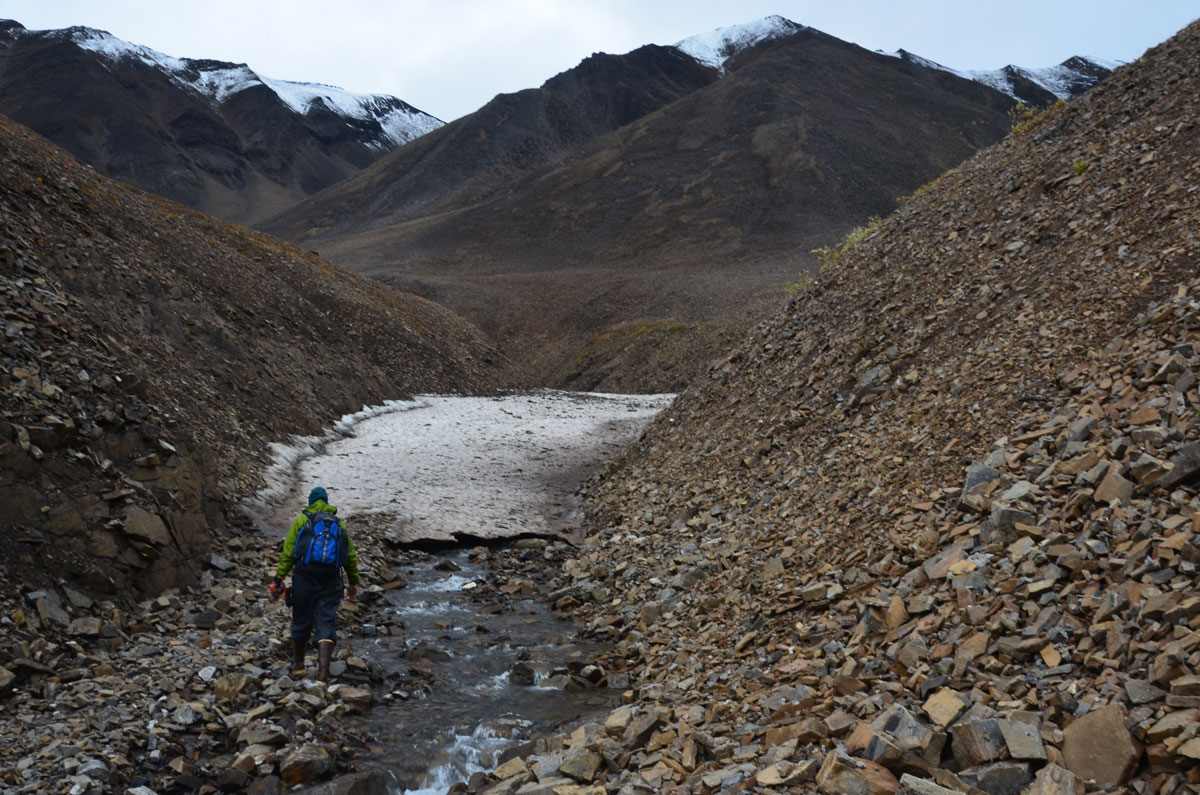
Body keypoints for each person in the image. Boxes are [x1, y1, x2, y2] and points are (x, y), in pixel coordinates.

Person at [269, 486, 360, 683]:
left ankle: (299, 667)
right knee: (326, 621)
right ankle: (322, 676)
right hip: (331, 580)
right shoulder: (339, 525)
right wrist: (353, 582)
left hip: (304, 578)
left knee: (301, 619)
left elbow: (289, 553)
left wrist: (278, 579)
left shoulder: (302, 520)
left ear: (310, 502)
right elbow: (349, 557)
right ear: (327, 502)